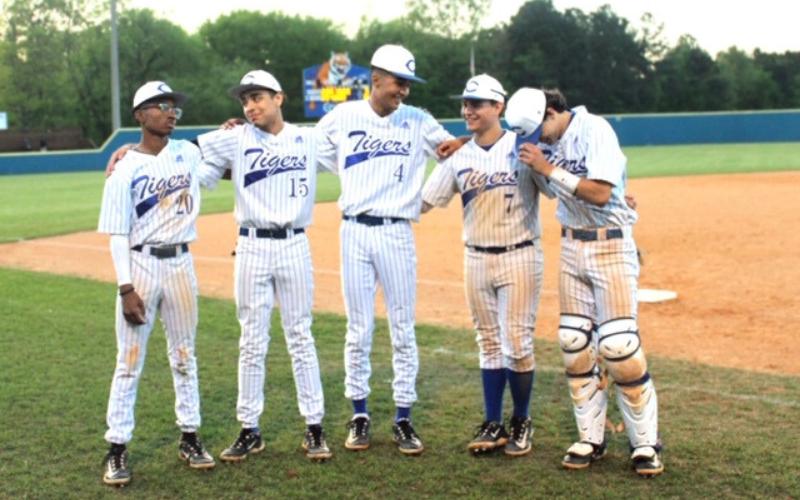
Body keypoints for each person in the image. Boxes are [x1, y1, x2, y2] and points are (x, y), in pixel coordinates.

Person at [506, 87, 663, 476]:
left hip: (610, 245)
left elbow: (600, 192)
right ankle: (591, 439)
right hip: (572, 246)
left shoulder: (595, 129)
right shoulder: (540, 143)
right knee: (574, 343)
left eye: (537, 131)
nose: (536, 141)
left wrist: (547, 168)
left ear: (551, 112)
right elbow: (545, 184)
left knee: (619, 346)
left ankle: (645, 444)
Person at [316, 44, 457, 455]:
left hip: (396, 232)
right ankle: (359, 415)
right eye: (399, 82)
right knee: (358, 327)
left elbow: (453, 153)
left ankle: (403, 417)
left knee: (402, 327)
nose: (404, 91)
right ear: (375, 79)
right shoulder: (342, 117)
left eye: (408, 84)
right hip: (354, 231)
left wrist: (426, 197)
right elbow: (311, 151)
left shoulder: (418, 120)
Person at [196, 70, 333, 462]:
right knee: (252, 340)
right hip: (251, 246)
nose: (250, 106)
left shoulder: (308, 139)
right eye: (245, 100)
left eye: (257, 97)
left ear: (279, 98)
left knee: (300, 336)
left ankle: (314, 427)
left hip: (294, 244)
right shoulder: (236, 137)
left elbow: (356, 154)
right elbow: (184, 151)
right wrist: (130, 150)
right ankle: (249, 429)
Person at [97, 81, 216, 486]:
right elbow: (117, 233)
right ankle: (116, 448)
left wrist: (234, 125)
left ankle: (190, 437)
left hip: (181, 263)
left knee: (184, 356)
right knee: (129, 361)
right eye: (160, 106)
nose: (170, 113)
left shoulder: (187, 152)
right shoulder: (124, 169)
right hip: (141, 265)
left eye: (173, 107)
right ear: (139, 115)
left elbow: (225, 141)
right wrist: (125, 287)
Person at [421, 74, 546, 457]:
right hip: (476, 257)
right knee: (489, 343)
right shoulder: (459, 157)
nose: (467, 110)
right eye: (465, 103)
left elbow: (555, 184)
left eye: (476, 103)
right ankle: (493, 422)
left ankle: (521, 419)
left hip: (519, 254)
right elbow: (424, 201)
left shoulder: (522, 147)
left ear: (498, 107)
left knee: (517, 344)